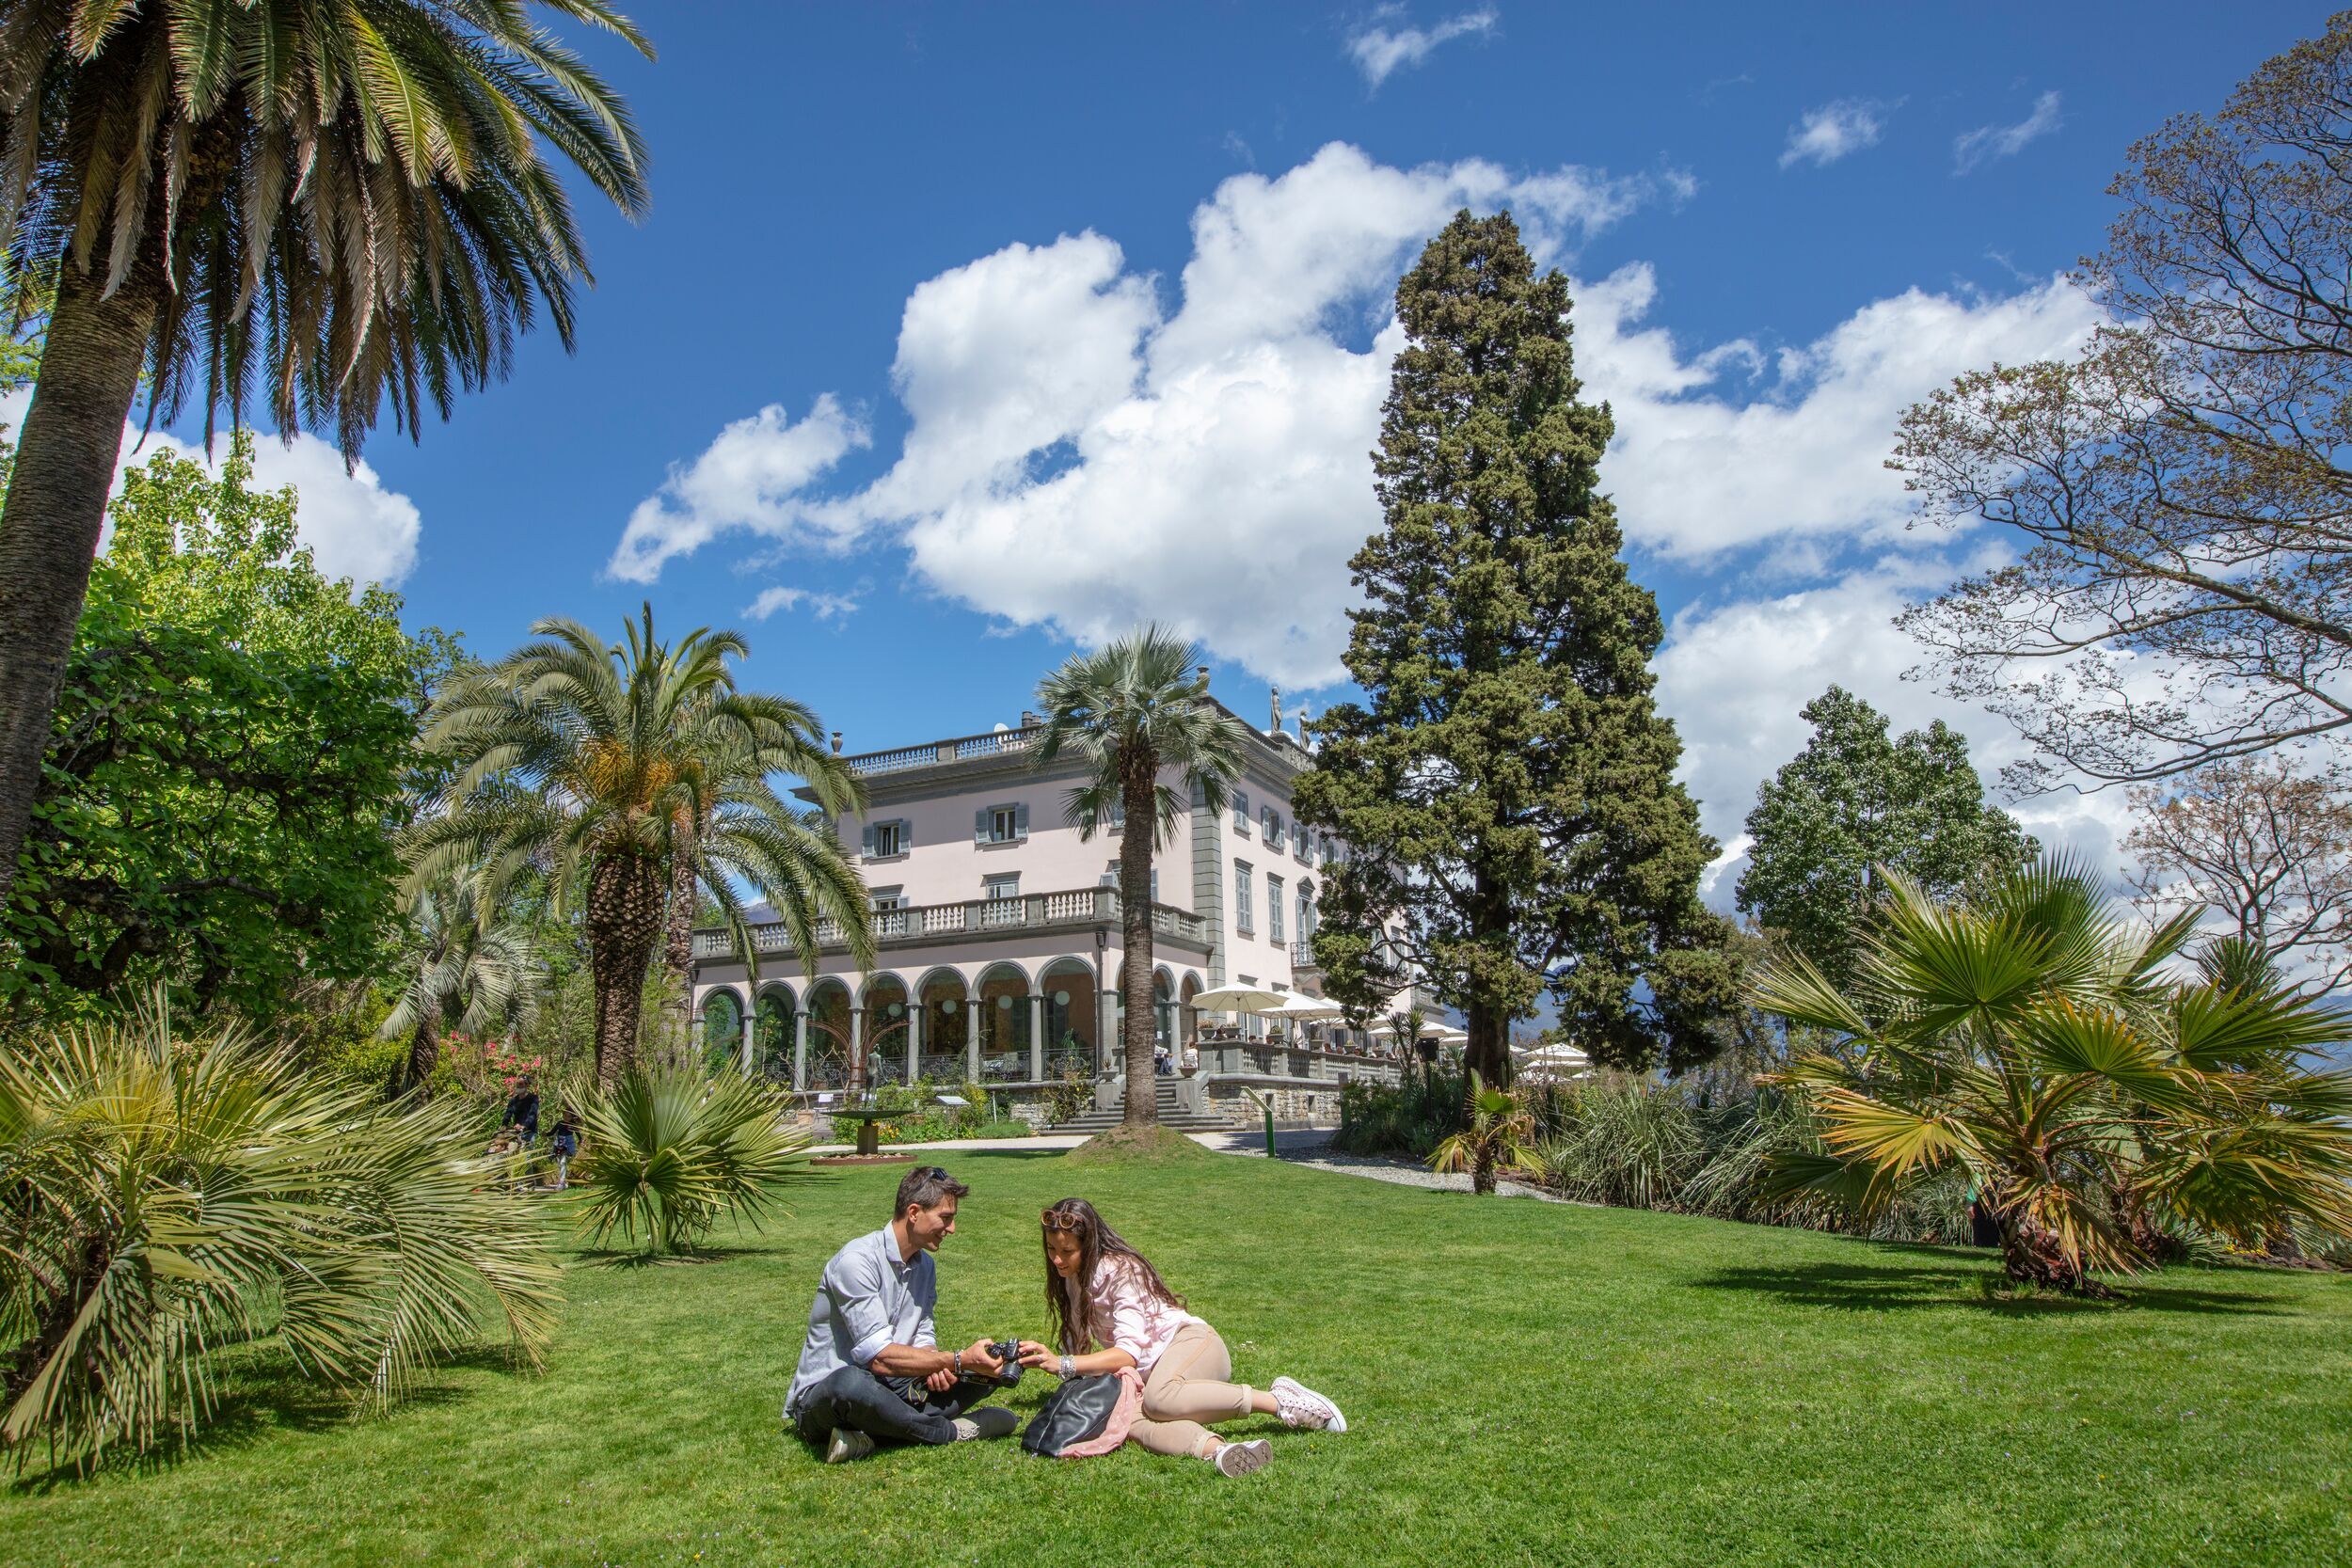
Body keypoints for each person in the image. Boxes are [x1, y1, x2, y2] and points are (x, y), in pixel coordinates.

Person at [1017, 1196, 1345, 1478]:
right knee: (1125, 1424)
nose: (1057, 1259)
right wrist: (1046, 1359)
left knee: (1160, 1401)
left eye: (1067, 1251)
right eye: (1051, 1248)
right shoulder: (1072, 1278)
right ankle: (1219, 1450)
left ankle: (1280, 1401)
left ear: (1089, 1247)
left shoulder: (1121, 1270)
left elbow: (1126, 1355)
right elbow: (1081, 1354)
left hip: (1193, 1345)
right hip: (1151, 1376)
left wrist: (1062, 1363)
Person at [785, 1165, 1018, 1464]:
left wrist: (934, 1363)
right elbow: (878, 1357)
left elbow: (922, 1332)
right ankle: (950, 1431)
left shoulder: (925, 1266)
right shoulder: (857, 1261)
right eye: (945, 1218)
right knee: (851, 1384)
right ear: (913, 1212)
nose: (952, 1229)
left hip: (893, 1387)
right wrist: (955, 1359)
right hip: (829, 1395)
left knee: (996, 1368)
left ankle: (871, 1434)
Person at [502, 1076, 540, 1148]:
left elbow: (533, 1114)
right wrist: (504, 1125)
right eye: (517, 1084)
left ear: (527, 1085)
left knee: (527, 1155)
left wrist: (524, 1126)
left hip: (529, 1132)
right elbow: (508, 1113)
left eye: (521, 1084)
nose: (518, 1086)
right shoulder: (513, 1100)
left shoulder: (533, 1098)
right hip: (516, 1132)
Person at [548, 1109, 580, 1191]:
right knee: (560, 1162)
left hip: (568, 1144)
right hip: (559, 1143)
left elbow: (578, 1134)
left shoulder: (573, 1124)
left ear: (572, 1117)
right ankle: (563, 1181)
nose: (566, 1118)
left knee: (563, 1161)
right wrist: (546, 1134)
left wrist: (580, 1140)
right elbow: (552, 1132)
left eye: (569, 1116)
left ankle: (561, 1182)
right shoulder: (559, 1123)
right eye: (565, 1115)